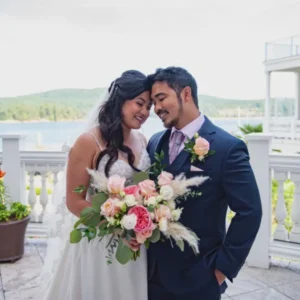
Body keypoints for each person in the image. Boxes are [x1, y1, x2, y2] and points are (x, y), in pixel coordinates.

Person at [146, 67, 262, 300]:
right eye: (153, 102)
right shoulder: (155, 142)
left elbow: (249, 211)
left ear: (186, 94)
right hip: (152, 274)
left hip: (198, 276)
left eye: (161, 99)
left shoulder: (228, 148)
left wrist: (221, 269)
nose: (156, 108)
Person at [39, 70, 152, 300]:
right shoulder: (89, 141)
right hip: (99, 242)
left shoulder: (142, 140)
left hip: (133, 244)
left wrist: (141, 223)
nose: (145, 112)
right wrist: (119, 227)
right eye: (140, 103)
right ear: (121, 99)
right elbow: (74, 201)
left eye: (149, 107)